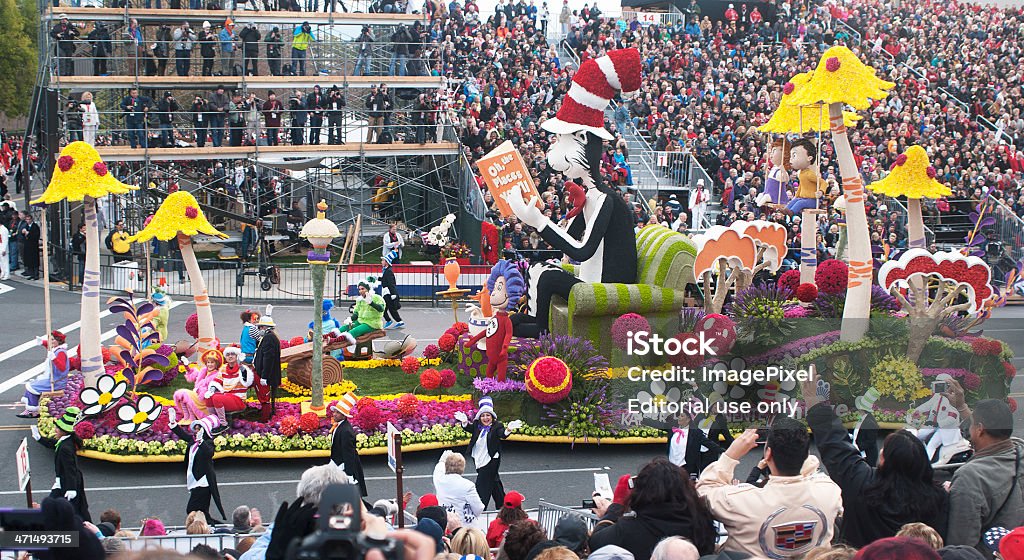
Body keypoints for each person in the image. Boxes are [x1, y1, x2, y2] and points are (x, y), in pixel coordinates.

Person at [805, 398, 949, 547]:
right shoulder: (937, 498)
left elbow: (836, 448)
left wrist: (815, 403)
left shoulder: (862, 483)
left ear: (884, 460)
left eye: (884, 450)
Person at [696, 419, 843, 558]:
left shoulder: (739, 501)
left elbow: (703, 491)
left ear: (768, 454)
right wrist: (798, 454)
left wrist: (730, 455)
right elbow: (812, 466)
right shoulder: (829, 491)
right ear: (807, 455)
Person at [590, 458, 717, 558]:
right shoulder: (701, 522)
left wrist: (616, 507)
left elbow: (595, 543)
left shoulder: (629, 529)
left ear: (642, 493)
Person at [946, 398, 1023, 552]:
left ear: (980, 429)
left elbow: (961, 545)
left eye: (972, 424)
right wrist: (961, 406)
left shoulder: (969, 477)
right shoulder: (1019, 453)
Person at [454, 396, 524, 509]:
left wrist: (509, 429)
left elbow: (502, 434)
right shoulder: (477, 425)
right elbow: (470, 428)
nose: (485, 418)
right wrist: (465, 422)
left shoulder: (497, 426)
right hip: (478, 459)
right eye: (483, 415)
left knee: (482, 485)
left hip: (491, 461)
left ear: (492, 416)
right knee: (494, 482)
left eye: (488, 415)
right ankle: (504, 506)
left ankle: (479, 508)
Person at [33, 405, 91, 521]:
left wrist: (71, 489)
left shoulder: (65, 448)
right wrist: (40, 439)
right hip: (63, 481)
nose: (55, 430)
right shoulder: (65, 441)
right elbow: (54, 444)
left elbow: (70, 470)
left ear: (64, 432)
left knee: (76, 512)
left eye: (57, 429)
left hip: (68, 483)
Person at [168, 409, 226, 525]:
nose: (196, 430)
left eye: (199, 428)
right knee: (202, 511)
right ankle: (209, 526)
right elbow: (183, 434)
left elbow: (209, 453)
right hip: (193, 478)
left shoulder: (208, 443)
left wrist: (201, 442)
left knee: (192, 509)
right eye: (196, 428)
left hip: (203, 481)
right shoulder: (192, 441)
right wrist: (173, 423)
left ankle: (204, 526)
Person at [642, 411, 723, 474]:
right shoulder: (672, 428)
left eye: (682, 416)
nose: (679, 418)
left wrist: (726, 452)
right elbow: (658, 424)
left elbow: (709, 444)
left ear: (688, 419)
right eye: (679, 416)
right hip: (672, 467)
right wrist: (643, 419)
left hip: (687, 468)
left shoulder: (696, 433)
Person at [202, 346, 254, 431]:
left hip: (238, 399)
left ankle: (223, 424)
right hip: (226, 396)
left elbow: (247, 381)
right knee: (208, 397)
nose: (230, 356)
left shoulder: (242, 368)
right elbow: (217, 380)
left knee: (216, 398)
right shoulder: (223, 368)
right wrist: (211, 390)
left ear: (237, 356)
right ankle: (214, 421)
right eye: (228, 354)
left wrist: (241, 368)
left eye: (233, 354)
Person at [433, 449, 485, 528]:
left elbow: (438, 469)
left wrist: (442, 461)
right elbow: (478, 508)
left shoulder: (439, 479)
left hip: (445, 523)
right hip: (463, 526)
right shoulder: (468, 485)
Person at [328, 393, 367, 497]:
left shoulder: (345, 431)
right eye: (335, 411)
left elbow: (348, 454)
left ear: (344, 416)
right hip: (337, 464)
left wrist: (349, 475)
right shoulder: (340, 426)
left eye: (338, 412)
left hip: (343, 468)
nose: (334, 414)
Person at [337, 280, 385, 348]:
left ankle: (335, 341)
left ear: (368, 289)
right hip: (361, 321)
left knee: (354, 331)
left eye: (363, 289)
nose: (361, 291)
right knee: (346, 327)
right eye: (359, 289)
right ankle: (330, 336)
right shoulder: (360, 300)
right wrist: (351, 319)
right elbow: (356, 313)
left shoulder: (376, 297)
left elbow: (381, 309)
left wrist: (371, 303)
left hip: (372, 323)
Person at [252, 309, 281, 420]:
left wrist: (264, 376)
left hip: (266, 374)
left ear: (264, 327)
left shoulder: (269, 338)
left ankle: (265, 416)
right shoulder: (270, 336)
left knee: (264, 396)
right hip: (266, 372)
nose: (259, 329)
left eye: (260, 327)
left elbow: (268, 359)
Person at [381, 251, 404, 329]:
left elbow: (391, 283)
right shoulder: (386, 270)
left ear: (387, 262)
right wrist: (377, 279)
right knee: (387, 308)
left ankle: (394, 321)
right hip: (387, 292)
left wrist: (393, 294)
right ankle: (395, 321)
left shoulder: (389, 271)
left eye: (383, 260)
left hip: (388, 293)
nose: (382, 262)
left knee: (388, 308)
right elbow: (385, 279)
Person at [18, 211, 40, 279]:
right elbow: (23, 234)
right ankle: (31, 274)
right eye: (26, 219)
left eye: (29, 219)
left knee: (34, 260)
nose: (27, 221)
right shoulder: (26, 226)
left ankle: (36, 274)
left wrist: (28, 233)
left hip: (33, 245)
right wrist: (23, 232)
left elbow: (36, 235)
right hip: (27, 245)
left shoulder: (35, 226)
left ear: (31, 219)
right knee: (29, 260)